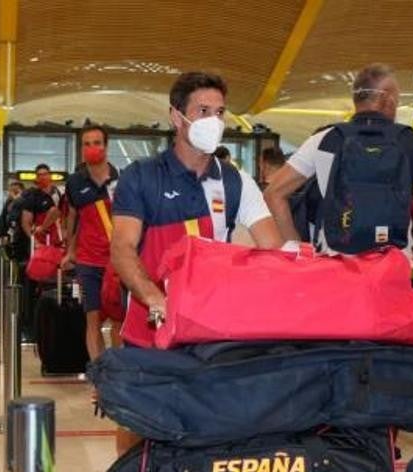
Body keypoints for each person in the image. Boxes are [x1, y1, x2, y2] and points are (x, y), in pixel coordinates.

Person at [111, 71, 284, 452]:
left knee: (202, 433)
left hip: (208, 332)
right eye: (203, 110)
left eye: (220, 112)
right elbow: (122, 248)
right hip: (149, 327)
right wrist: (156, 299)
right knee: (138, 426)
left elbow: (273, 250)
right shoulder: (140, 178)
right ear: (176, 117)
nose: (214, 122)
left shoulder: (236, 181)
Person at [264, 63, 413, 260]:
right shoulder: (412, 143)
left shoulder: (325, 139)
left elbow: (274, 194)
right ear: (389, 100)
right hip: (392, 264)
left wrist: (296, 247)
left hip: (336, 260)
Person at [62, 125, 120, 363]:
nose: (92, 148)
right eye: (86, 144)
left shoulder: (123, 179)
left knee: (119, 319)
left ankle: (118, 372)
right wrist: (70, 252)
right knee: (93, 319)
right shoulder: (75, 182)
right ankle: (99, 373)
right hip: (89, 261)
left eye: (97, 143)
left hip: (118, 262)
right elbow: (74, 219)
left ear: (106, 146)